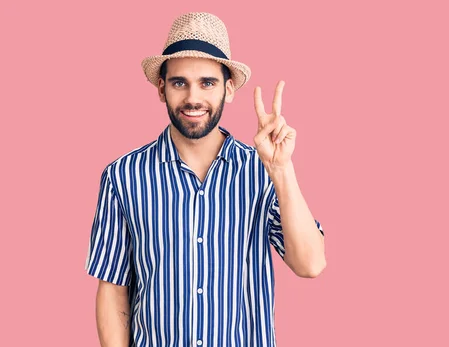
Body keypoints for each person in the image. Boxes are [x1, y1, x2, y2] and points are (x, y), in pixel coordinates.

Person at [84, 12, 326, 347]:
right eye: (179, 82)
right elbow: (112, 289)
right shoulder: (123, 176)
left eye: (207, 83)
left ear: (228, 90)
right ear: (161, 89)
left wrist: (281, 170)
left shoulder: (261, 171)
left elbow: (311, 264)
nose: (193, 98)